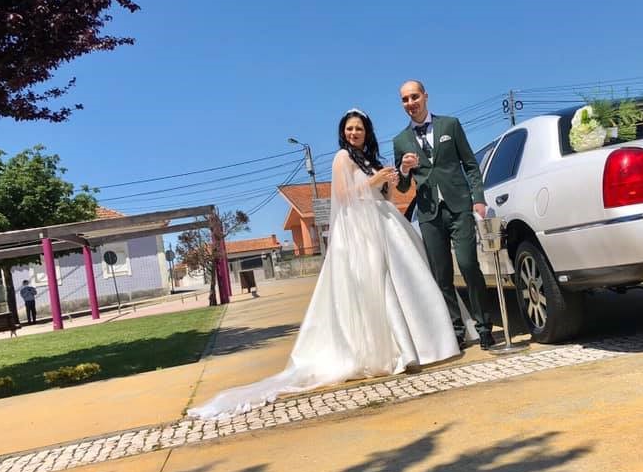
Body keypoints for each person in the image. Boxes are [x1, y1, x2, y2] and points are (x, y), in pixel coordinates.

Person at [188, 109, 473, 420]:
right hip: (359, 229)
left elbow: (386, 197)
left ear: (367, 132)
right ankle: (397, 350)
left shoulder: (370, 159)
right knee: (379, 285)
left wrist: (389, 181)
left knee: (409, 282)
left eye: (359, 128)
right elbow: (342, 195)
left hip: (384, 221)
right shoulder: (342, 158)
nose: (354, 133)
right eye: (350, 129)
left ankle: (428, 342)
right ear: (343, 132)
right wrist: (374, 180)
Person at [394, 80, 494, 351]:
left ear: (425, 96)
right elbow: (402, 186)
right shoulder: (400, 141)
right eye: (405, 99)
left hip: (459, 207)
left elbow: (470, 164)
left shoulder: (450, 125)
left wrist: (478, 198)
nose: (410, 103)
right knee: (442, 276)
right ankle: (456, 331)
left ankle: (484, 326)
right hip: (429, 215)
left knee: (468, 265)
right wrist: (404, 170)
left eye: (414, 97)